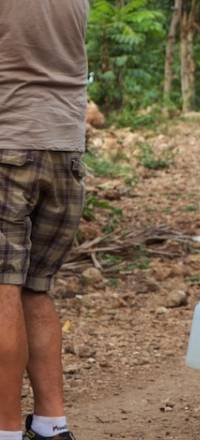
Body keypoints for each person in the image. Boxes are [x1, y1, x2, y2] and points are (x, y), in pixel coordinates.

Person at [0, 1, 89, 439]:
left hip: (9, 145)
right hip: (67, 153)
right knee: (36, 289)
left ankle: (7, 429)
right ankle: (53, 424)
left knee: (3, 291)